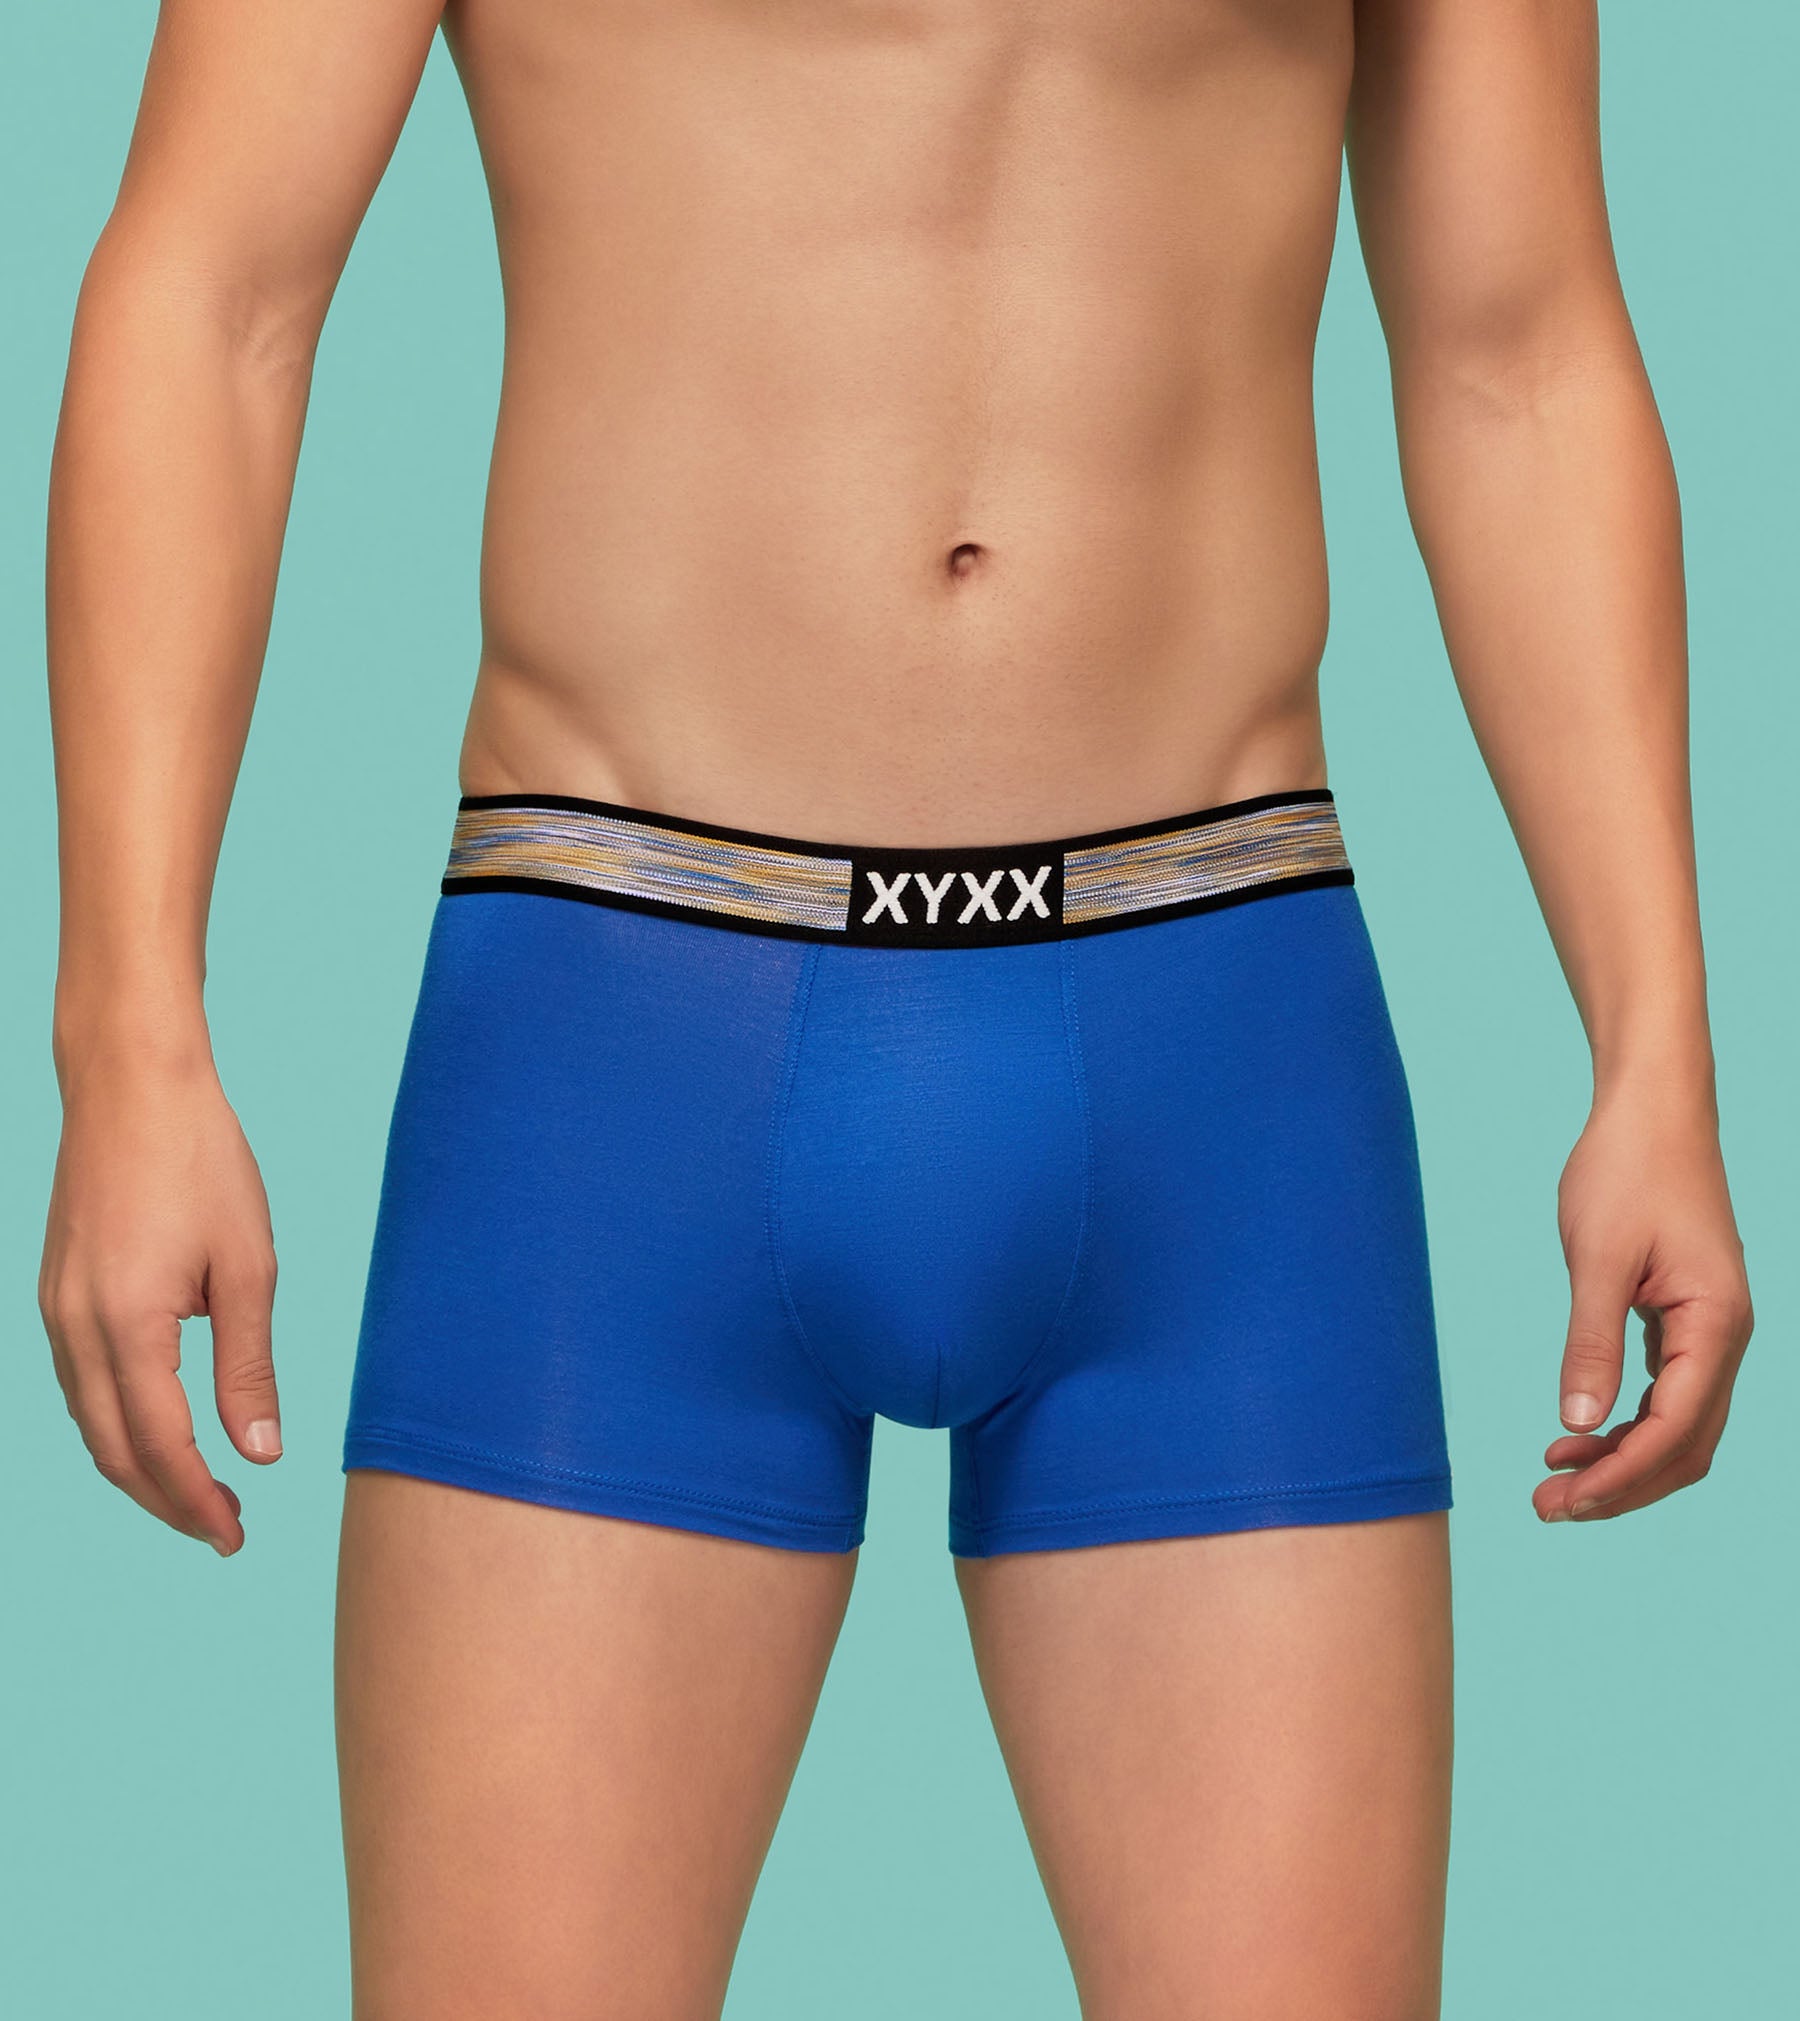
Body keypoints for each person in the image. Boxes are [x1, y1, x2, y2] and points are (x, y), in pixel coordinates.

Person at [38, 1, 1754, 2015]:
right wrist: (127, 1036)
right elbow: (214, 293)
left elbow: (1517, 349)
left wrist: (1655, 1042)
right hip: (622, 1040)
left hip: (1218, 1035)